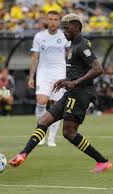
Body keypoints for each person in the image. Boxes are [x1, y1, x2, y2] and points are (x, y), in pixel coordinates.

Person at [9, 13, 112, 173]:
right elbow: (79, 70)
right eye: (63, 28)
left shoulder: (83, 45)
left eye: (67, 28)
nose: (64, 31)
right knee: (43, 121)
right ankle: (23, 154)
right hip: (72, 91)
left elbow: (98, 69)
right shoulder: (72, 45)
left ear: (77, 27)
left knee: (69, 133)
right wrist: (65, 79)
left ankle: (102, 161)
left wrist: (75, 82)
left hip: (81, 93)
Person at [28, 10, 69, 147]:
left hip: (59, 73)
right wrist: (31, 77)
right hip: (43, 73)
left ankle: (52, 137)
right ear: (46, 20)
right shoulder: (39, 36)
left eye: (55, 19)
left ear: (59, 21)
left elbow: (70, 55)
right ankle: (41, 133)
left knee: (56, 106)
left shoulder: (64, 36)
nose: (52, 22)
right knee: (41, 101)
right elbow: (35, 57)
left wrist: (70, 75)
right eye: (50, 19)